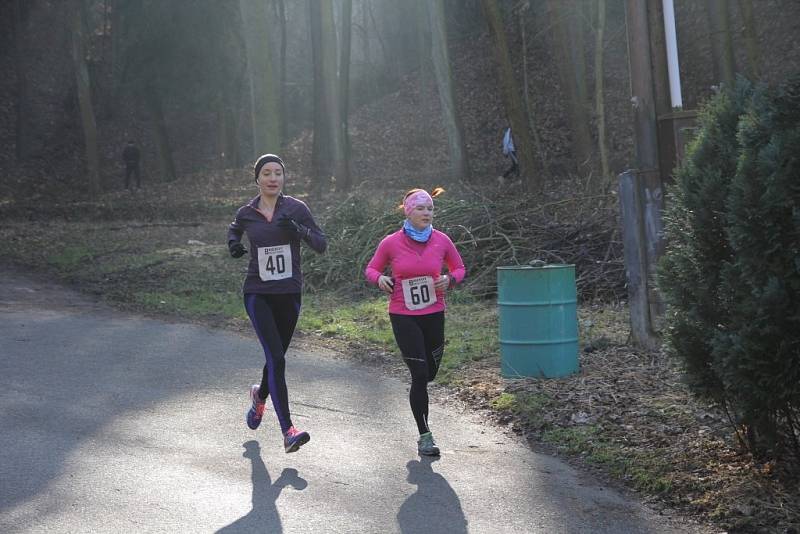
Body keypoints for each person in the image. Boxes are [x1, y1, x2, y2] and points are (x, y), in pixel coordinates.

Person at [227, 153, 327, 453]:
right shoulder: (247, 212)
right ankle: (288, 430)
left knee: (276, 358)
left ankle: (260, 396)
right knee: (278, 359)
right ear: (257, 178)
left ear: (284, 178)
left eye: (278, 173)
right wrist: (234, 243)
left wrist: (298, 229)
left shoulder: (297, 208)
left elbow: (321, 244)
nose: (273, 178)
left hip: (289, 293)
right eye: (267, 173)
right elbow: (235, 227)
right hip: (257, 292)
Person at [365, 188, 466, 456]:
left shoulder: (442, 240)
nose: (426, 213)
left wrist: (450, 279)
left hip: (434, 313)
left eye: (430, 209)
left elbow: (459, 268)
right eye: (420, 208)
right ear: (408, 211)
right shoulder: (391, 242)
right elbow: (371, 268)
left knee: (430, 373)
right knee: (419, 374)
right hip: (403, 314)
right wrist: (380, 279)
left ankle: (420, 402)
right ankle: (425, 436)